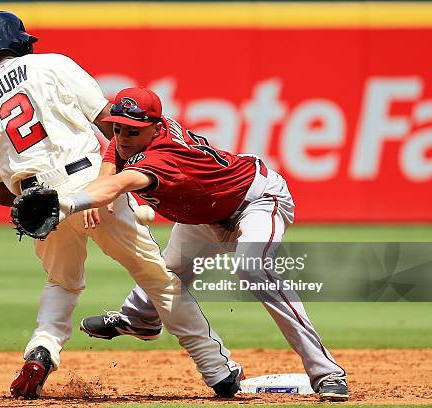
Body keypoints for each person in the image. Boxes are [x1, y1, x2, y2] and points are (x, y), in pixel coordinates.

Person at [0, 11, 244, 400]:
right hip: (90, 180)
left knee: (62, 282)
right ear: (22, 41)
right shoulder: (52, 64)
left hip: (39, 202)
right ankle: (217, 371)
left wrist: (41, 205)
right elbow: (110, 124)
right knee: (156, 279)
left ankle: (41, 349)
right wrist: (99, 186)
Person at [58, 86, 349, 401]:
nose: (123, 136)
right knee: (166, 274)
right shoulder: (140, 133)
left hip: (256, 202)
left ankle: (328, 374)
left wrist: (70, 202)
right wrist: (100, 196)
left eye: (133, 131)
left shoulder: (164, 157)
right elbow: (112, 158)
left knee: (253, 270)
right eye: (117, 128)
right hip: (204, 216)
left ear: (155, 130)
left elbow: (120, 182)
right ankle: (140, 319)